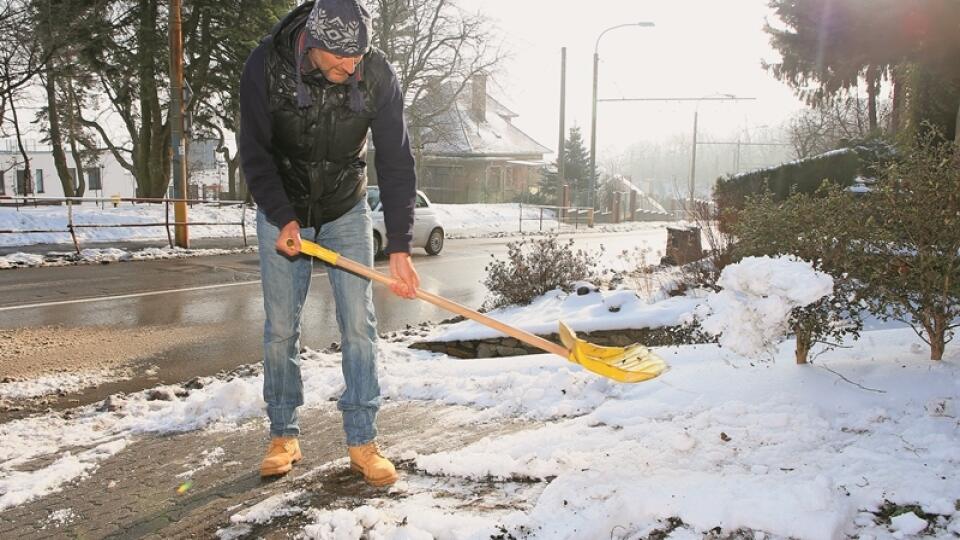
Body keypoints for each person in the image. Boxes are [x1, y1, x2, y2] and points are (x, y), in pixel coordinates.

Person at [239, 0, 420, 486]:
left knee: (359, 324)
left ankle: (363, 441)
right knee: (281, 327)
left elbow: (398, 161)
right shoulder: (266, 66)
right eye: (340, 58)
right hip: (282, 208)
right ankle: (283, 435)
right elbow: (253, 153)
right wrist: (282, 217)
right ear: (312, 45)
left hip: (345, 207)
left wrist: (400, 245)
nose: (350, 66)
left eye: (357, 56)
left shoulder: (375, 73)